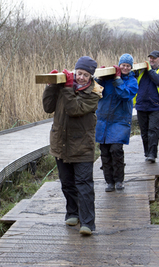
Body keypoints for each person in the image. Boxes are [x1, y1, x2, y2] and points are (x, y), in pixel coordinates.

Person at [43, 56, 103, 235]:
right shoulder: (65, 87)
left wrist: (68, 88)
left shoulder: (95, 93)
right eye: (79, 73)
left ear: (91, 76)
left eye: (85, 74)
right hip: (61, 143)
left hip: (82, 145)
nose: (81, 77)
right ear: (75, 71)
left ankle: (88, 223)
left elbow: (74, 109)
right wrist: (51, 86)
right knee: (67, 183)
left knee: (84, 185)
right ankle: (72, 213)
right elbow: (48, 107)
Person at [94, 54, 138, 192]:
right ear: (119, 65)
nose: (125, 67)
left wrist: (118, 79)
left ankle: (119, 180)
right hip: (103, 120)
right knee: (105, 152)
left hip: (120, 121)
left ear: (131, 67)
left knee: (116, 150)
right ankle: (109, 182)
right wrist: (99, 78)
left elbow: (125, 95)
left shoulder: (132, 81)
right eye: (123, 65)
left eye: (128, 66)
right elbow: (94, 91)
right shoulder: (108, 79)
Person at [134, 50, 159, 163]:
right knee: (144, 131)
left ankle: (152, 154)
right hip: (141, 105)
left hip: (155, 106)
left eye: (154, 58)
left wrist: (149, 69)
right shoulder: (141, 71)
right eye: (150, 58)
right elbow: (130, 76)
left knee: (153, 130)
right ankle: (147, 152)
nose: (151, 60)